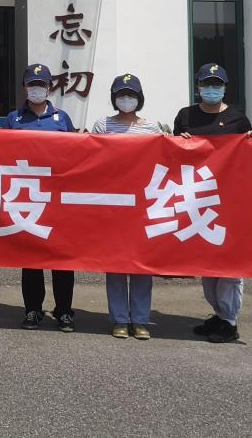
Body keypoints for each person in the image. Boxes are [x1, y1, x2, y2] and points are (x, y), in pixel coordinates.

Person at [173, 63, 252, 344]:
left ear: (224, 87)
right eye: (206, 84)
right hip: (199, 199)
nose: (211, 89)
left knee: (230, 262)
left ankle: (230, 321)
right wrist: (179, 142)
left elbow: (251, 160)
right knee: (208, 260)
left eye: (217, 84)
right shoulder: (186, 116)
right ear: (198, 86)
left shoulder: (237, 119)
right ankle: (219, 313)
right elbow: (173, 157)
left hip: (230, 201)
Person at [0, 62, 77, 332]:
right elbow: (1, 154)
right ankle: (32, 309)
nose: (36, 89)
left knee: (61, 255)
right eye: (32, 85)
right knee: (31, 255)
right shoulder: (14, 119)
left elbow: (77, 154)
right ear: (24, 88)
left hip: (57, 194)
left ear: (49, 88)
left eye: (41, 85)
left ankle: (64, 311)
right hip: (27, 193)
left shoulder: (62, 118)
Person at [90, 73, 168, 340]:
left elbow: (166, 158)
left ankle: (141, 320)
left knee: (141, 264)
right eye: (122, 94)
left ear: (139, 98)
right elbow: (91, 158)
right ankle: (120, 319)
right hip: (113, 202)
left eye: (131, 94)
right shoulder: (102, 125)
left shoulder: (152, 127)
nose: (126, 99)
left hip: (144, 203)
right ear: (114, 98)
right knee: (115, 263)